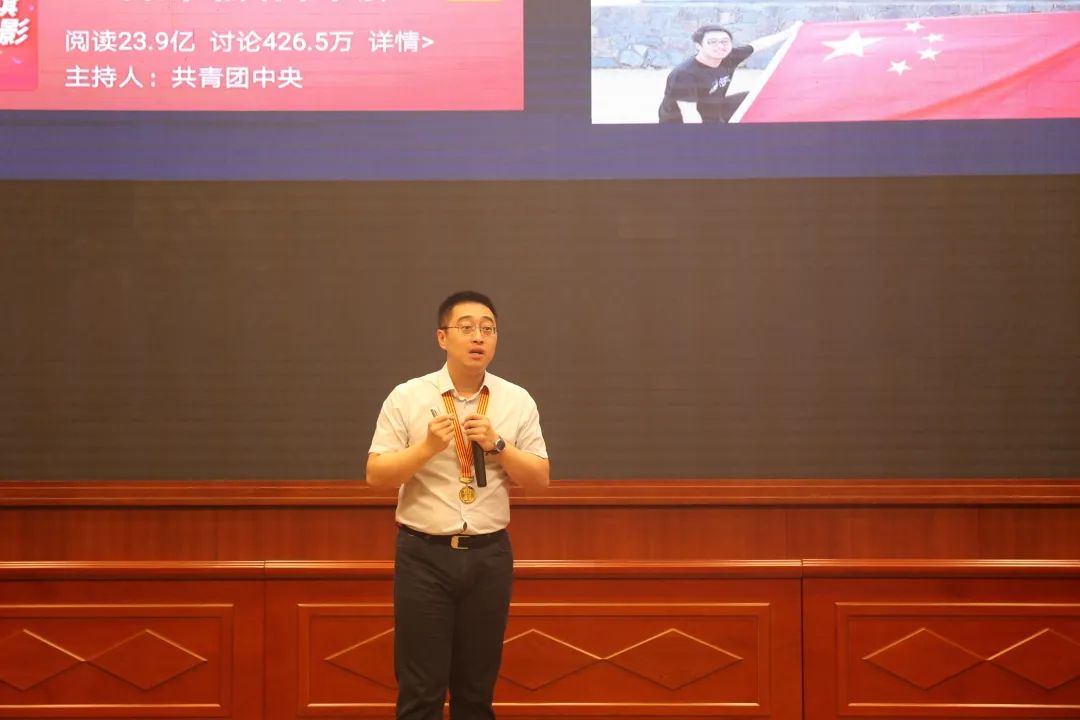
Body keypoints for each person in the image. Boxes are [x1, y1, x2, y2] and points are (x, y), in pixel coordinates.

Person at [366, 290, 550, 720]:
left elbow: (539, 478)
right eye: (466, 327)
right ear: (442, 337)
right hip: (423, 556)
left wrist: (498, 444)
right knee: (421, 692)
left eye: (488, 328)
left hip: (489, 555)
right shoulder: (408, 397)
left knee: (476, 692)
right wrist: (427, 448)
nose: (478, 337)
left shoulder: (516, 400)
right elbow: (376, 475)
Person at [659, 22, 800, 123]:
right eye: (712, 42)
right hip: (679, 123)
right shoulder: (684, 75)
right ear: (698, 46)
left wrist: (789, 32)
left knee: (756, 97)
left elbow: (757, 45)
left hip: (713, 109)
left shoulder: (728, 57)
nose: (720, 46)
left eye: (725, 41)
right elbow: (689, 114)